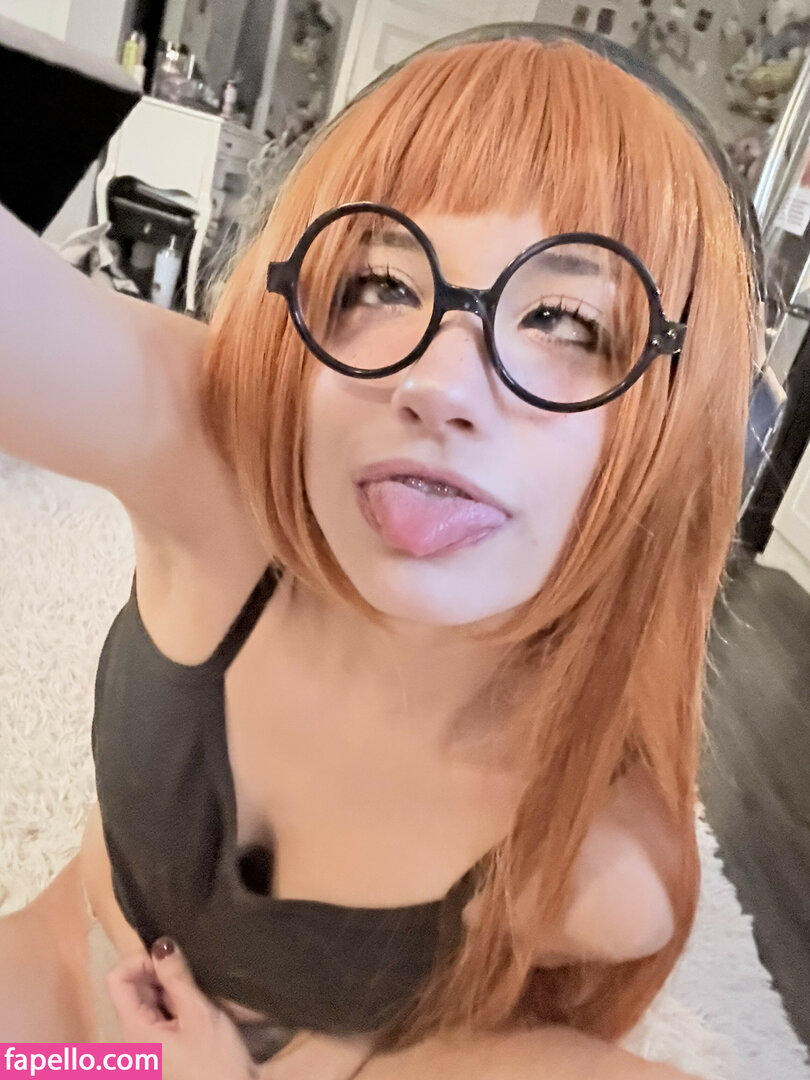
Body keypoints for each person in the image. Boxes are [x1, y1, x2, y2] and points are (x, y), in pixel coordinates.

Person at [0, 28, 757, 1080]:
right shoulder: (216, 472)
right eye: (384, 286)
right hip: (54, 1003)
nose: (437, 386)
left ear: (678, 420)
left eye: (563, 319)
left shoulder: (604, 867)